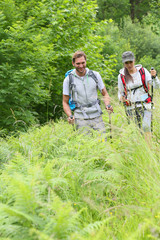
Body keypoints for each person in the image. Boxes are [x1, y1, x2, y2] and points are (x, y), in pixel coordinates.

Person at [63, 50, 113, 134]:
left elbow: (105, 93)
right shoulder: (68, 79)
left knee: (103, 142)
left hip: (97, 115)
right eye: (78, 64)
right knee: (85, 144)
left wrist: (107, 105)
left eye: (83, 63)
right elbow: (65, 102)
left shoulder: (95, 75)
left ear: (86, 61)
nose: (81, 66)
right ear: (73, 63)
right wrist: (70, 116)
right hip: (80, 117)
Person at [118, 51, 160, 143]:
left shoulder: (143, 71)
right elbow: (120, 92)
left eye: (130, 62)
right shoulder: (121, 76)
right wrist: (121, 98)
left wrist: (155, 77)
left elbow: (156, 86)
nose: (129, 65)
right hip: (131, 107)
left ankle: (149, 148)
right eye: (126, 63)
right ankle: (141, 150)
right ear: (123, 63)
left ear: (134, 60)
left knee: (146, 126)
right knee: (135, 131)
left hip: (146, 104)